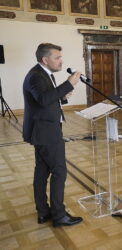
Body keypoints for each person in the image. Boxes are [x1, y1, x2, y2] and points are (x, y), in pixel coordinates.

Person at [22, 43, 83, 227]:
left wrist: (62, 98)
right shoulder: (35, 76)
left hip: (43, 130)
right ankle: (59, 215)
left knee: (42, 172)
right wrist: (68, 84)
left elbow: (45, 99)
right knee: (59, 171)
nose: (61, 60)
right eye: (57, 57)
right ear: (45, 59)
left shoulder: (42, 74)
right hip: (45, 132)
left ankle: (43, 212)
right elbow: (42, 99)